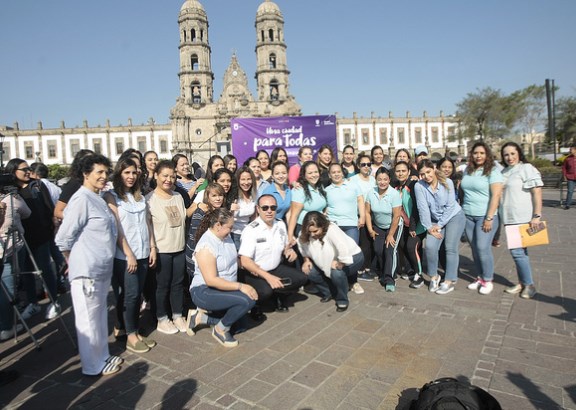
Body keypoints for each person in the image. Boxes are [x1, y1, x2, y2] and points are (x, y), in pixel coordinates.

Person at [55, 154, 122, 376]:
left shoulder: (98, 197)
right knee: (87, 320)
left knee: (99, 316)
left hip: (101, 269)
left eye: (106, 172)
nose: (104, 177)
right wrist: (71, 260)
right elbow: (63, 237)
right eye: (99, 172)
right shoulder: (81, 198)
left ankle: (102, 355)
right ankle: (92, 365)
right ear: (86, 174)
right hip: (86, 271)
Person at [104, 158, 158, 353]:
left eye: (134, 173)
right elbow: (116, 228)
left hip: (144, 252)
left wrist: (152, 247)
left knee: (135, 294)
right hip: (125, 256)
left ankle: (129, 329)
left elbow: (147, 223)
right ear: (119, 174)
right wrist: (128, 254)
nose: (131, 176)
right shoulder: (111, 197)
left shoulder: (140, 196)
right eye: (127, 172)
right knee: (131, 295)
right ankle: (131, 335)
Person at [187, 208, 258, 347]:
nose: (231, 230)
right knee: (247, 301)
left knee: (240, 324)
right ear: (218, 225)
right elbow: (211, 280)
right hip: (204, 290)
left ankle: (201, 317)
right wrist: (241, 286)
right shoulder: (206, 246)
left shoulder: (225, 236)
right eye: (229, 227)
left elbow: (233, 260)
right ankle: (220, 330)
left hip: (223, 287)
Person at [5, 158, 60, 320]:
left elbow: (49, 206)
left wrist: (53, 226)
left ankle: (54, 301)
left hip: (41, 235)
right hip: (22, 237)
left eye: (28, 168)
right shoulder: (11, 191)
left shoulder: (37, 185)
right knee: (26, 272)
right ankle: (33, 303)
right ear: (13, 172)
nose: (28, 171)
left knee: (45, 269)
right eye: (24, 169)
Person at [238, 194, 307, 317]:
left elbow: (284, 246)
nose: (269, 211)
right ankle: (255, 304)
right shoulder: (251, 230)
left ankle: (278, 295)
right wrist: (269, 278)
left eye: (272, 208)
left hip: (275, 268)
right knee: (265, 291)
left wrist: (289, 251)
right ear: (258, 209)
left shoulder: (280, 224)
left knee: (301, 278)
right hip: (256, 272)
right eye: (265, 208)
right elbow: (245, 261)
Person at [146, 160, 192, 335]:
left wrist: (199, 205)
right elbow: (148, 227)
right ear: (156, 176)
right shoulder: (149, 200)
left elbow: (183, 216)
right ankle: (162, 318)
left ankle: (178, 315)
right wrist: (152, 248)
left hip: (179, 247)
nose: (169, 179)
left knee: (178, 284)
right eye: (165, 176)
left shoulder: (178, 197)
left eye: (172, 176)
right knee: (162, 285)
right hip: (161, 250)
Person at [415, 159, 465, 295]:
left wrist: (439, 225)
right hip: (433, 221)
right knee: (430, 246)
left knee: (450, 247)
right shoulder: (419, 186)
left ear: (434, 168)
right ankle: (434, 277)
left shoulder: (447, 182)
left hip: (454, 216)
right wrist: (429, 227)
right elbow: (422, 208)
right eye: (422, 174)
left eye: (428, 172)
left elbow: (450, 206)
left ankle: (449, 280)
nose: (426, 176)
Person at [500, 142, 543, 299]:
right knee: (518, 252)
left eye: (513, 153)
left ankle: (529, 285)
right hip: (509, 218)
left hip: (523, 217)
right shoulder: (504, 171)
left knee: (518, 252)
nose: (510, 157)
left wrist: (536, 216)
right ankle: (522, 283)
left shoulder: (526, 168)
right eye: (506, 154)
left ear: (519, 152)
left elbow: (537, 192)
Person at [298, 211, 364, 312]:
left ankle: (342, 299)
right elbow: (302, 248)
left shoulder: (331, 229)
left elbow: (343, 248)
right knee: (310, 271)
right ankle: (329, 292)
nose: (312, 234)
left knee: (337, 272)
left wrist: (340, 262)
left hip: (353, 256)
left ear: (322, 226)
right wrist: (306, 260)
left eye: (315, 231)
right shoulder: (303, 234)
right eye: (309, 232)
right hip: (329, 260)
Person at [460, 142, 503, 295]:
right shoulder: (468, 170)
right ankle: (479, 277)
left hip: (485, 215)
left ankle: (488, 278)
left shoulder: (493, 171)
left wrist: (489, 217)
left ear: (487, 155)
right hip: (468, 215)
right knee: (474, 248)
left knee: (483, 248)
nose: (478, 156)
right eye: (476, 153)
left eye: (482, 153)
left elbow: (496, 196)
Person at [365, 168, 403, 292]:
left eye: (385, 179)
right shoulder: (371, 192)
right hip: (379, 226)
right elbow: (367, 212)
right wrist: (370, 229)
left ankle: (389, 279)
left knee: (389, 250)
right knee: (378, 250)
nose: (382, 182)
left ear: (389, 180)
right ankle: (385, 270)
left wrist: (390, 234)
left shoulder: (394, 194)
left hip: (394, 226)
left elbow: (397, 216)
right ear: (375, 180)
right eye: (379, 179)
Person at [0, 192, 30, 341]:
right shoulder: (11, 199)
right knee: (7, 290)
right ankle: (7, 326)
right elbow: (27, 213)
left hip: (8, 247)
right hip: (8, 248)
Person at [393, 161, 426, 289]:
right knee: (402, 245)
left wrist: (412, 226)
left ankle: (419, 275)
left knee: (411, 247)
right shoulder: (396, 187)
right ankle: (412, 269)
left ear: (409, 172)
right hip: (404, 225)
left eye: (403, 171)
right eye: (398, 171)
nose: (400, 173)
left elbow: (417, 209)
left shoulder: (413, 185)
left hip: (417, 224)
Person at [185, 183, 225, 279]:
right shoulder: (201, 212)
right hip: (198, 257)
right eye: (214, 196)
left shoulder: (222, 213)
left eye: (220, 195)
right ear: (208, 197)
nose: (218, 199)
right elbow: (195, 238)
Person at [349, 153, 377, 281]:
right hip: (359, 215)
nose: (366, 167)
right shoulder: (353, 180)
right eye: (363, 164)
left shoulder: (373, 179)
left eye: (368, 164)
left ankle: (367, 268)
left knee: (370, 243)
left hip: (372, 216)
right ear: (358, 166)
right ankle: (360, 270)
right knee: (362, 244)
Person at [287, 161, 327, 245]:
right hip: (305, 229)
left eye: (316, 172)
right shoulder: (299, 190)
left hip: (319, 227)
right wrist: (290, 236)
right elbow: (293, 215)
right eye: (310, 173)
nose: (314, 175)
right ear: (304, 175)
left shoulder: (320, 186)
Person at [230, 166, 257, 249]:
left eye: (249, 179)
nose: (246, 182)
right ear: (238, 180)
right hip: (233, 234)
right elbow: (227, 217)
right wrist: (231, 210)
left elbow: (254, 217)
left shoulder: (254, 195)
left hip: (248, 234)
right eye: (243, 179)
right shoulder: (234, 195)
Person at [562, 143, 576, 210]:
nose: (570, 151)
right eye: (570, 150)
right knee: (570, 191)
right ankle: (567, 204)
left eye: (571, 150)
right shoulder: (567, 159)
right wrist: (564, 176)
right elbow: (564, 168)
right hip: (570, 177)